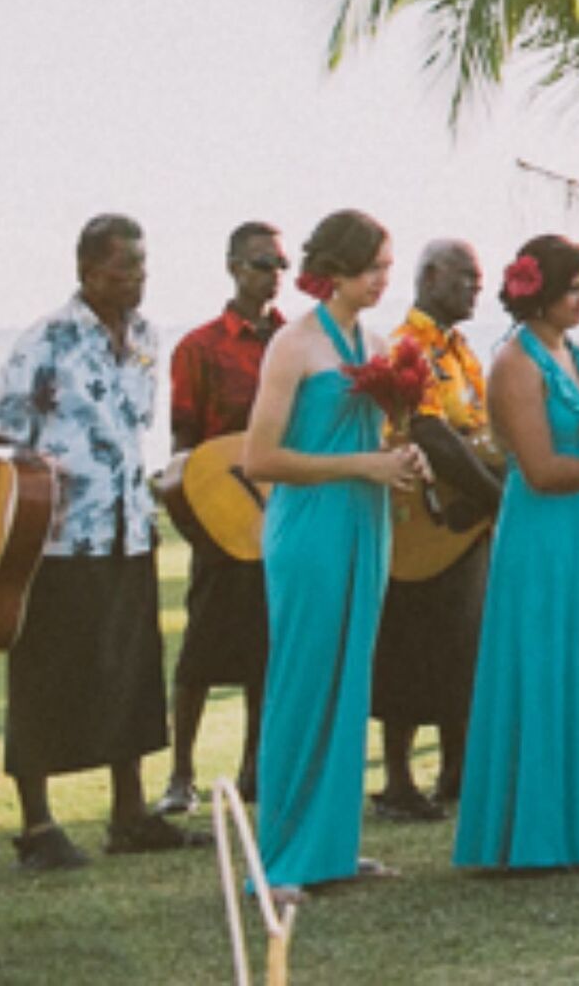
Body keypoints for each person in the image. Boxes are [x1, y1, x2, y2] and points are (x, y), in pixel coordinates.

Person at [0, 212, 193, 872]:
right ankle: (37, 827)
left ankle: (130, 816)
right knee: (45, 678)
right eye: (126, 272)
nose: (138, 284)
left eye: (144, 270)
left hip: (126, 530)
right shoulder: (47, 340)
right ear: (89, 272)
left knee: (131, 674)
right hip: (57, 539)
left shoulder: (148, 336)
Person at [245, 210, 432, 897]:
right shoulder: (293, 345)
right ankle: (279, 861)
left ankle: (331, 848)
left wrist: (399, 455)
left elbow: (370, 442)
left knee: (351, 681)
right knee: (302, 683)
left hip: (366, 521)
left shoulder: (374, 342)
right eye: (374, 267)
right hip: (311, 528)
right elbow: (258, 457)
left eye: (388, 267)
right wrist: (361, 466)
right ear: (340, 269)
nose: (385, 279)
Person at [453, 234, 579, 873]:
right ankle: (531, 833)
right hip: (542, 529)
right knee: (544, 664)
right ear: (546, 291)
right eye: (578, 287)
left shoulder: (577, 354)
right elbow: (539, 470)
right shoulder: (514, 364)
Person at [160, 218, 284, 818]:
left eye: (282, 264)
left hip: (281, 510)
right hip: (219, 508)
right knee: (203, 648)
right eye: (264, 264)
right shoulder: (200, 347)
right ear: (235, 267)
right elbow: (184, 438)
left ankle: (255, 764)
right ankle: (180, 773)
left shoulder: (291, 341)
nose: (275, 275)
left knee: (268, 643)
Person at [372, 237, 491, 822]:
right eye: (467, 277)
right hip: (421, 518)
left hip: (461, 520)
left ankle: (456, 767)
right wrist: (497, 494)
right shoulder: (408, 346)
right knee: (410, 645)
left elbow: (477, 428)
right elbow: (430, 431)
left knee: (460, 643)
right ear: (433, 275)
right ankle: (397, 780)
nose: (478, 287)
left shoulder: (463, 352)